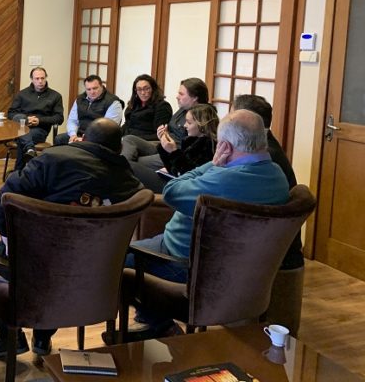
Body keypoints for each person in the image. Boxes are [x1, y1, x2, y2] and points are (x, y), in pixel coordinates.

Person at [0, 118, 143, 359]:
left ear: (83, 139)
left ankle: (8, 338)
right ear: (119, 149)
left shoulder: (52, 159)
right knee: (60, 267)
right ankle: (43, 337)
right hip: (97, 273)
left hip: (38, 264)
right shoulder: (128, 180)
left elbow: (6, 198)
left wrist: (9, 241)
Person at [125, 109, 290, 337]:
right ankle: (156, 324)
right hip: (244, 270)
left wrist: (213, 165)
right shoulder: (278, 177)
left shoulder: (222, 179)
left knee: (117, 262)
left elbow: (172, 191)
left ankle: (160, 326)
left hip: (186, 261)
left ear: (226, 148)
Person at [232, 94, 302, 269]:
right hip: (271, 236)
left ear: (246, 121)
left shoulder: (262, 155)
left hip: (270, 246)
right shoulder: (264, 145)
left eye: (232, 116)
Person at [123, 77, 209, 169]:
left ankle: (119, 170)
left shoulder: (201, 116)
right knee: (129, 139)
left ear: (195, 97)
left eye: (181, 94)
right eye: (139, 89)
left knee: (137, 161)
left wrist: (171, 147)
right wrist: (164, 134)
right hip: (163, 144)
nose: (177, 96)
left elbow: (191, 148)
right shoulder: (183, 109)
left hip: (174, 152)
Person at [131, 103, 219, 193]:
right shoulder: (191, 140)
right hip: (175, 182)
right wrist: (164, 145)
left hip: (181, 189)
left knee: (131, 166)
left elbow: (187, 175)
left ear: (202, 125)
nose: (185, 125)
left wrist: (174, 151)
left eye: (189, 122)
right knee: (130, 159)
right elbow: (173, 169)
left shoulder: (209, 146)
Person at [6, 66, 64, 170]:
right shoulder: (22, 94)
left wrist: (39, 121)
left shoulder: (55, 96)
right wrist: (27, 119)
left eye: (42, 78)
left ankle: (18, 171)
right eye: (37, 78)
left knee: (22, 138)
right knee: (19, 118)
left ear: (46, 78)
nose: (40, 81)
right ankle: (30, 152)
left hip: (39, 130)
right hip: (21, 126)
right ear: (32, 79)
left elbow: (59, 118)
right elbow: (10, 113)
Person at [54, 75, 123, 145]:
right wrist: (73, 135)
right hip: (79, 134)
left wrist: (86, 139)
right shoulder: (80, 99)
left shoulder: (113, 102)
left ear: (102, 86)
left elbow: (107, 129)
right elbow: (72, 120)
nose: (92, 92)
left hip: (99, 139)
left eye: (95, 88)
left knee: (82, 146)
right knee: (59, 139)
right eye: (88, 89)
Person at [120, 74, 172, 149]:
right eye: (139, 89)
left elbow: (159, 133)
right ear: (135, 91)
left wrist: (133, 137)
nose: (143, 93)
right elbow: (127, 124)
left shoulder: (162, 106)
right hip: (128, 139)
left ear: (153, 89)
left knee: (128, 142)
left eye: (146, 89)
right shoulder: (133, 104)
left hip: (149, 142)